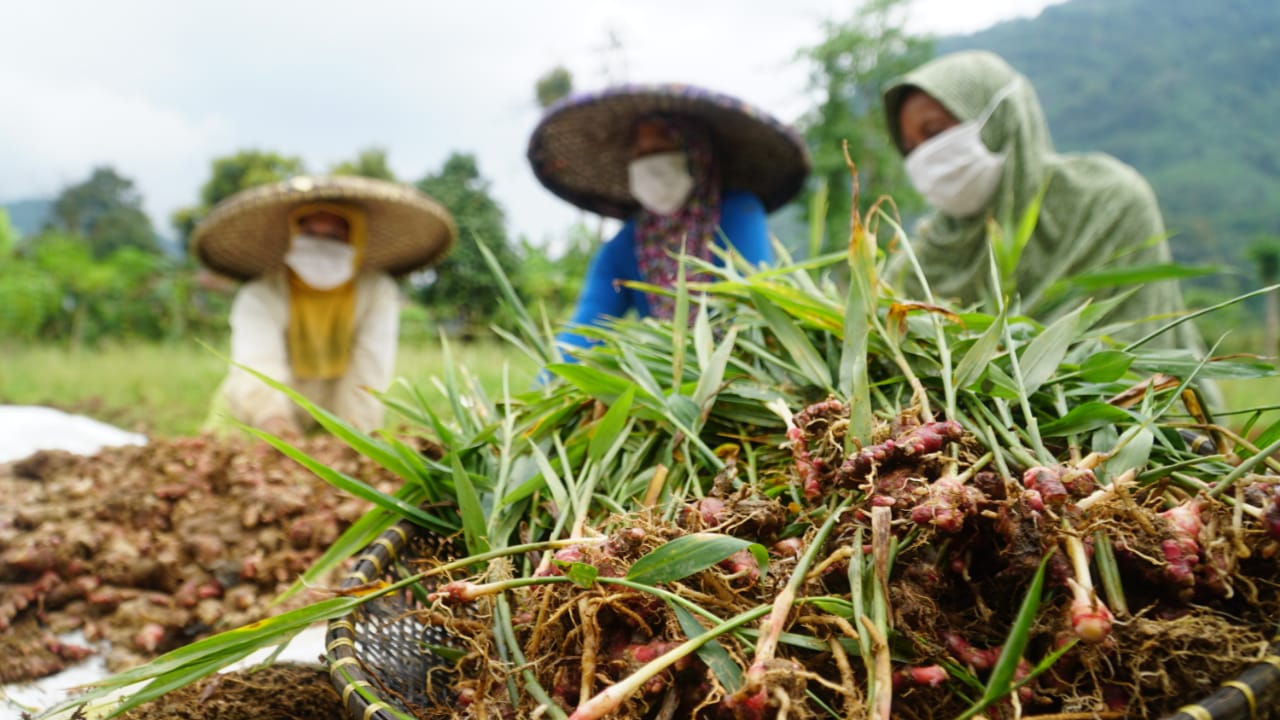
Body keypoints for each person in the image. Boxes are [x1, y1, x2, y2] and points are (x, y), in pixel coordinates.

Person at [882, 50, 1202, 351]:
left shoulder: (1108, 203)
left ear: (1002, 119)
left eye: (935, 132)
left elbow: (1138, 354)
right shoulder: (920, 260)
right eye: (910, 148)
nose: (925, 156)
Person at [527, 83, 811, 351]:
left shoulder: (738, 214)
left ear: (696, 153)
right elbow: (585, 330)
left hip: (740, 374)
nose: (649, 162)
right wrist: (541, 390)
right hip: (667, 382)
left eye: (661, 148)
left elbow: (755, 312)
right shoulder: (626, 246)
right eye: (640, 153)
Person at [192, 175, 456, 435]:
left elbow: (370, 366)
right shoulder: (261, 294)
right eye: (310, 233)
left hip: (337, 409)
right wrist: (274, 422)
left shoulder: (376, 292)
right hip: (254, 413)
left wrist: (355, 433)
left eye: (333, 235)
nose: (320, 242)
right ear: (295, 234)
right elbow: (257, 363)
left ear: (355, 238)